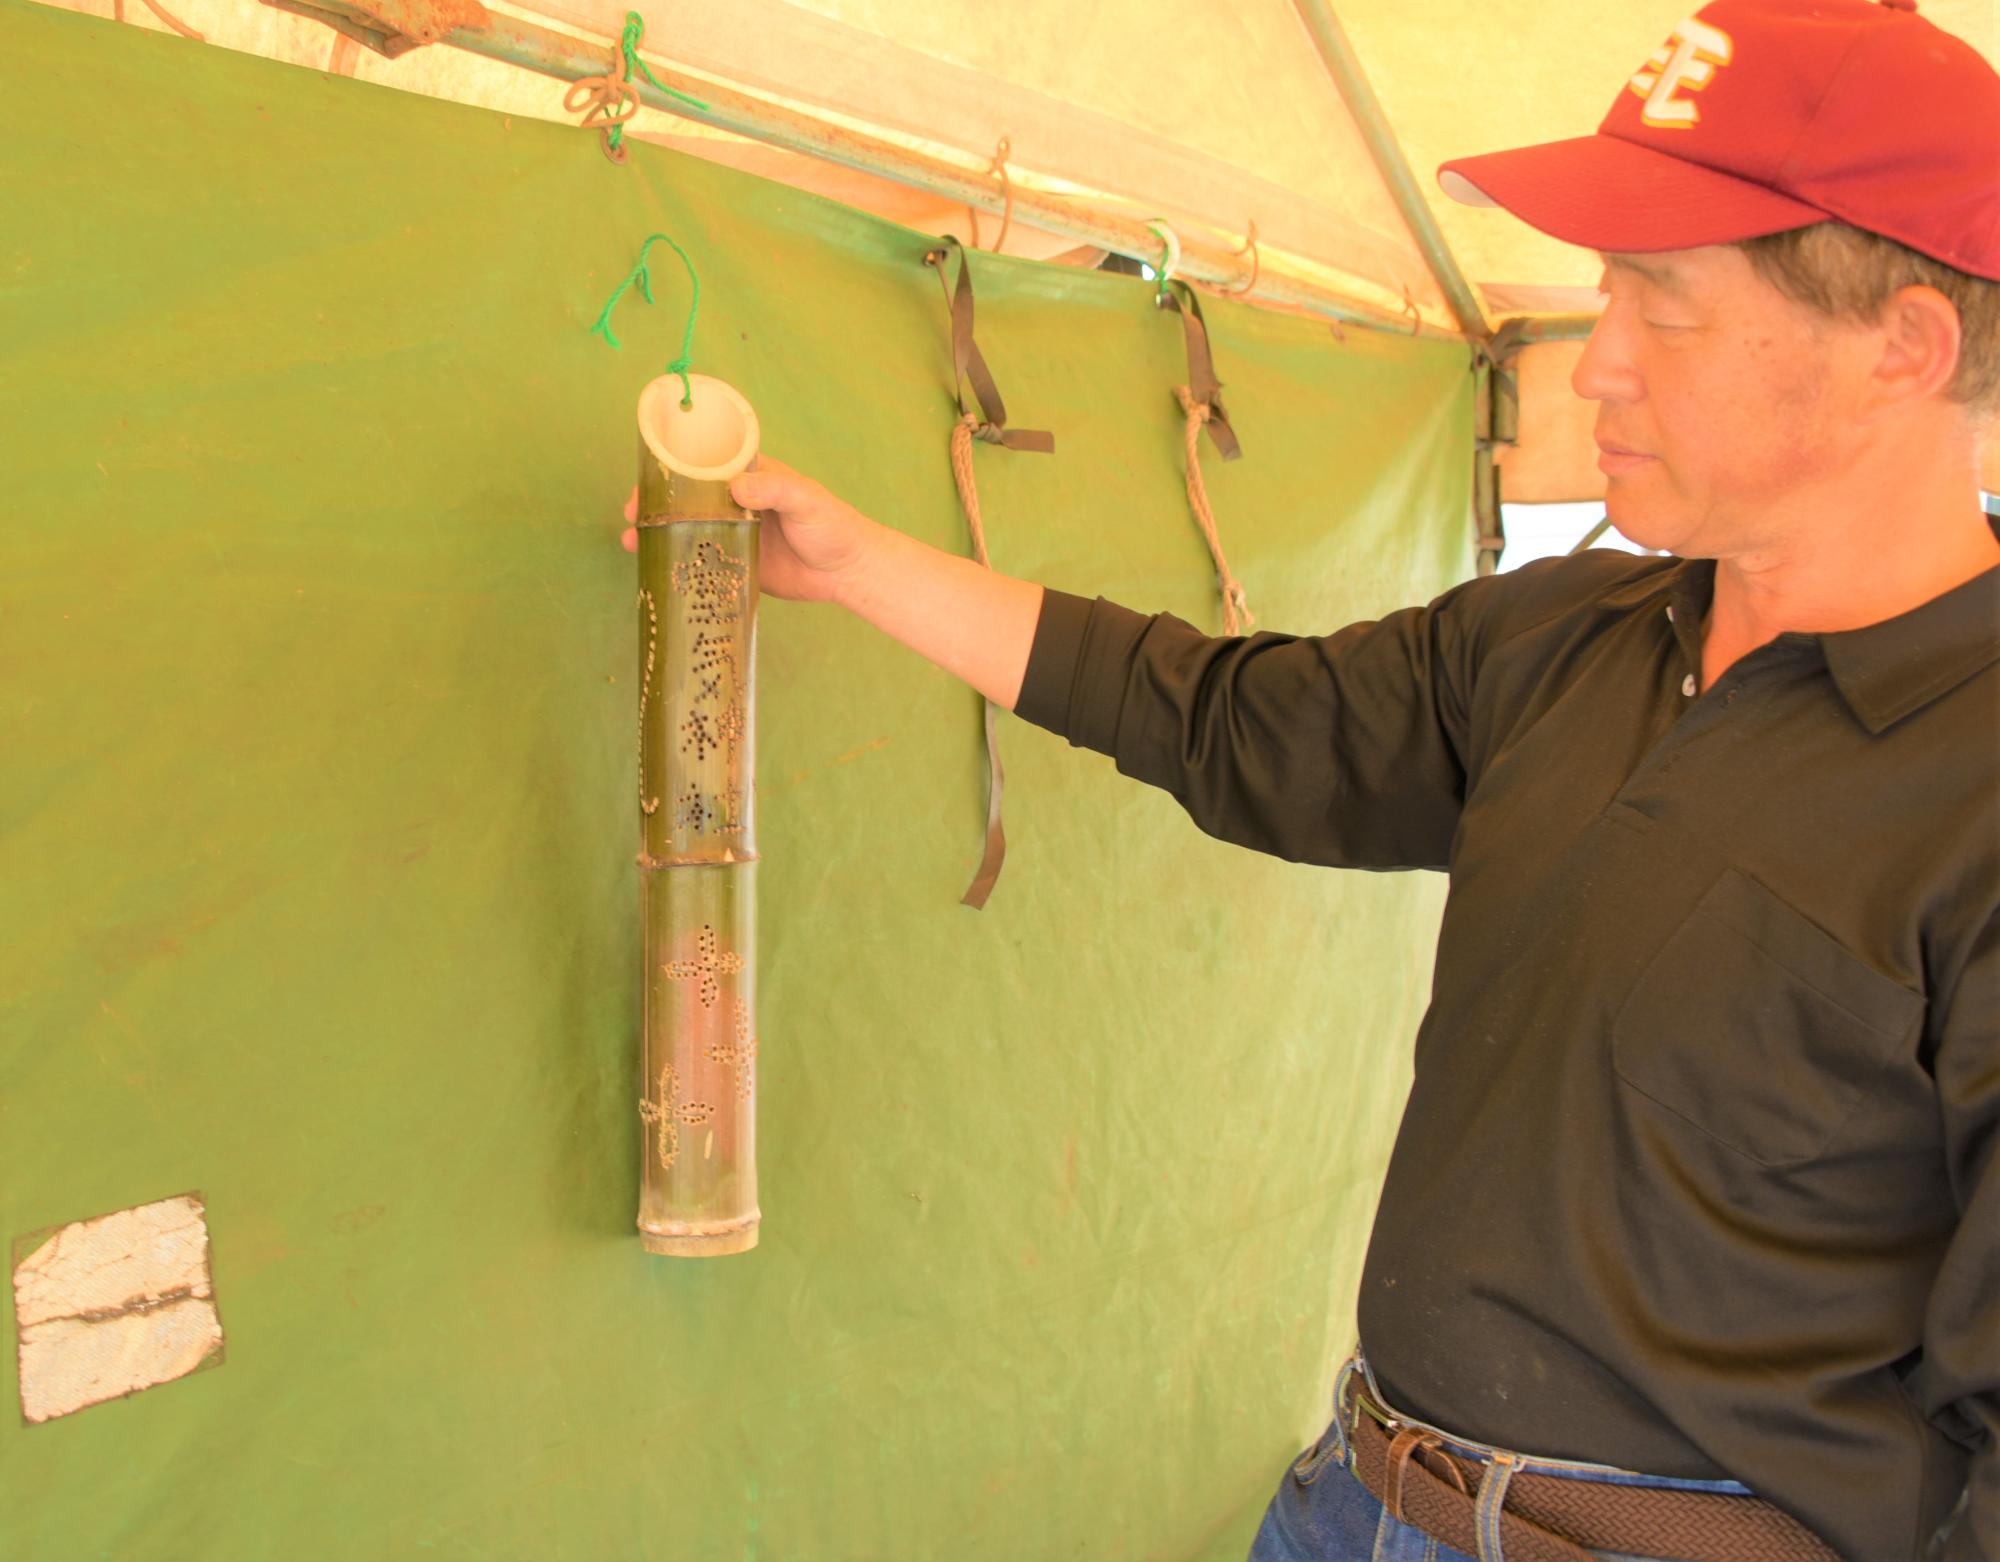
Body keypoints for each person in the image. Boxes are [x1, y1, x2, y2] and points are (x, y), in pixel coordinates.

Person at [623, 1, 1997, 1554]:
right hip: (1359, 1496)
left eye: (1663, 308)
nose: (1598, 365)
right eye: (1602, 294)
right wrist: (867, 564)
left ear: (1904, 346)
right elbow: (1226, 722)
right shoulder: (1568, 632)